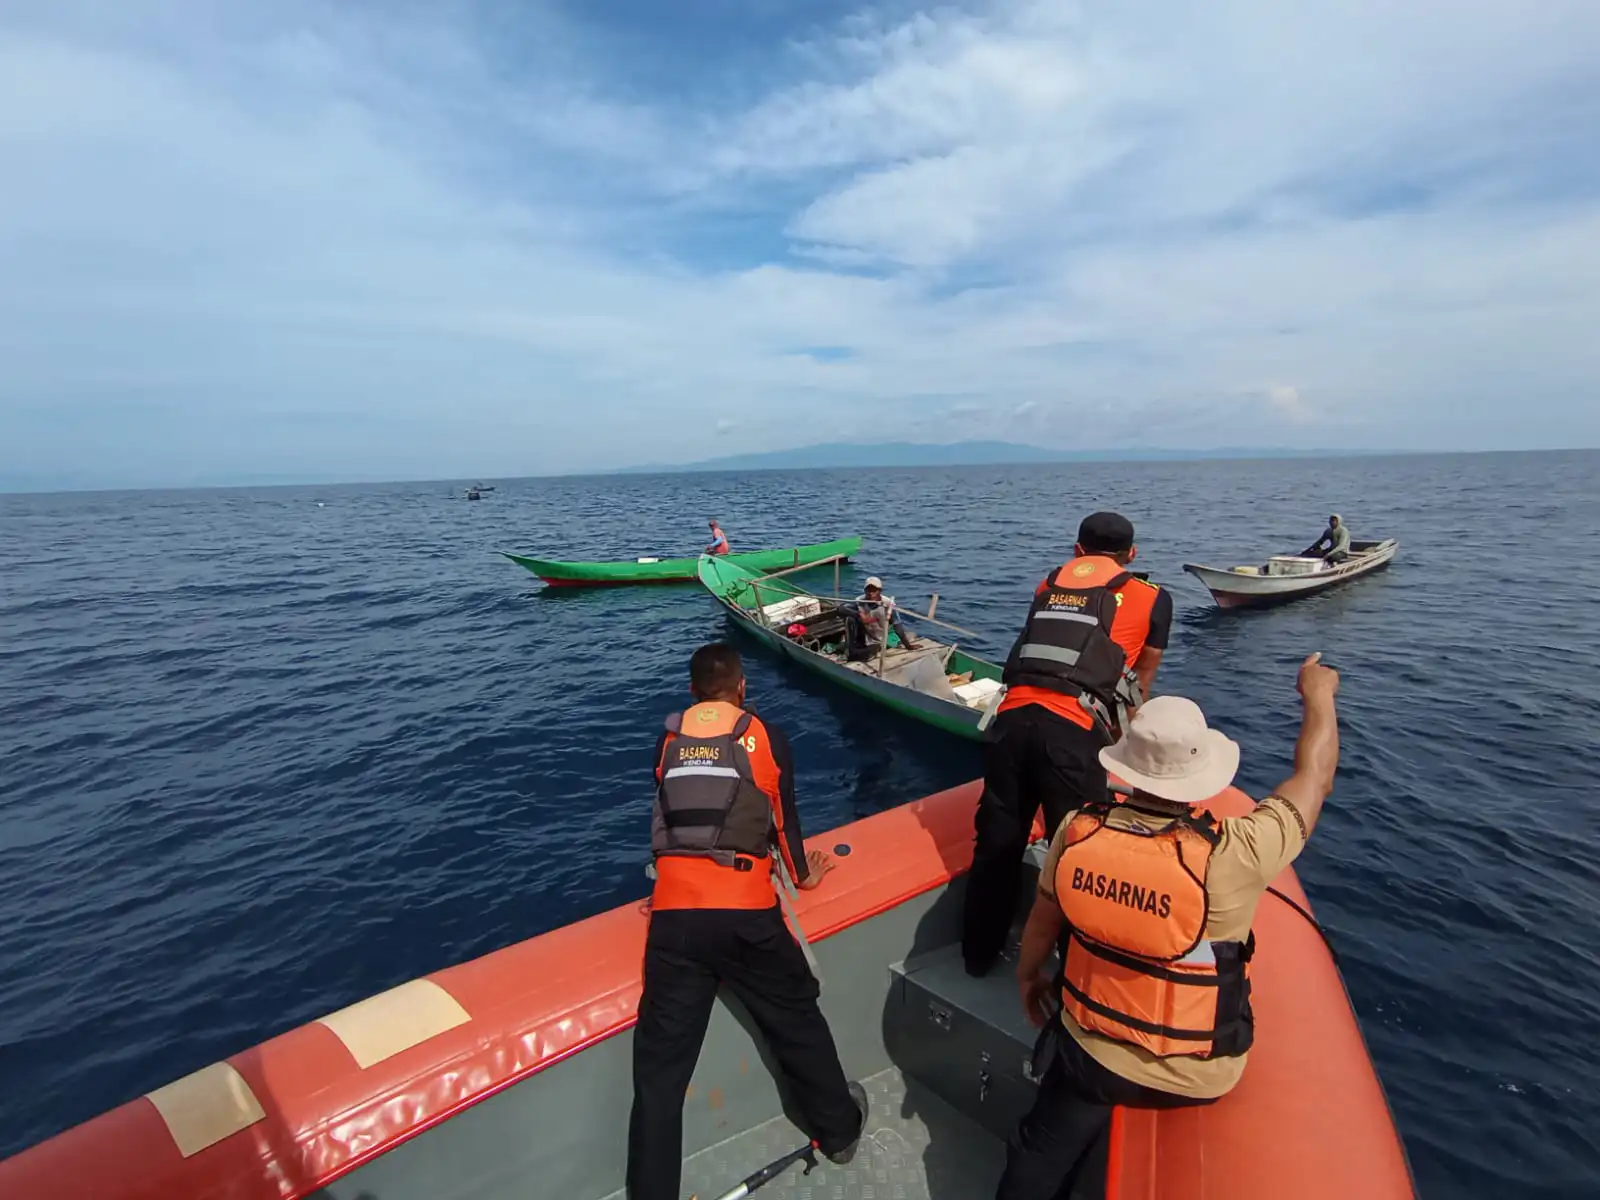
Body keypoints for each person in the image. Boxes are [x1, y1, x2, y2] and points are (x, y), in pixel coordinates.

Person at [993, 654, 1341, 1199]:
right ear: (1201, 778)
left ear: (1125, 768)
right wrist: (1317, 696)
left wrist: (1028, 978)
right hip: (1197, 1075)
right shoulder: (1237, 853)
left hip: (1092, 1053)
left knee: (1036, 1152)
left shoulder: (1078, 830)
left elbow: (1043, 920)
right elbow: (1313, 779)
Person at [627, 643, 868, 1200]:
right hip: (745, 912)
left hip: (674, 918)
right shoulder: (762, 735)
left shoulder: (668, 738)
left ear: (692, 692)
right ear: (741, 689)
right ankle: (838, 1129)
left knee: (660, 1077)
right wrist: (806, 874)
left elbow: (668, 817)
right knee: (796, 1016)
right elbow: (784, 825)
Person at [962, 512, 1172, 977]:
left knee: (998, 843)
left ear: (1077, 551)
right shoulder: (1153, 598)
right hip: (1075, 734)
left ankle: (976, 957)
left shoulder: (1047, 586)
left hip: (1010, 722)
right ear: (1132, 555)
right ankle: (1075, 973)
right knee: (1080, 856)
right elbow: (1143, 679)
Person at [842, 575, 917, 661]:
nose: (871, 593)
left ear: (880, 591)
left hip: (881, 637)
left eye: (874, 590)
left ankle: (866, 650)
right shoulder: (860, 601)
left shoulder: (887, 604)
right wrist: (859, 615)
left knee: (875, 649)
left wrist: (908, 646)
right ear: (865, 591)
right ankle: (851, 650)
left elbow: (898, 626)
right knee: (850, 619)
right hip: (867, 636)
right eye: (868, 590)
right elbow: (841, 608)